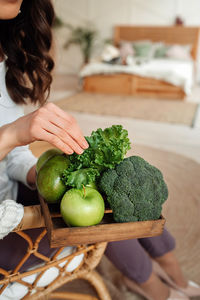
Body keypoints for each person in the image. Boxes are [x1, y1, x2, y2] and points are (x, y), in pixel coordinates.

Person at [0, 1, 199, 300]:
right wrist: (12, 133)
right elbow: (10, 138)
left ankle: (171, 272)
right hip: (6, 229)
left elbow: (11, 157)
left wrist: (38, 173)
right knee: (99, 217)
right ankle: (153, 287)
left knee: (107, 186)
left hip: (9, 194)